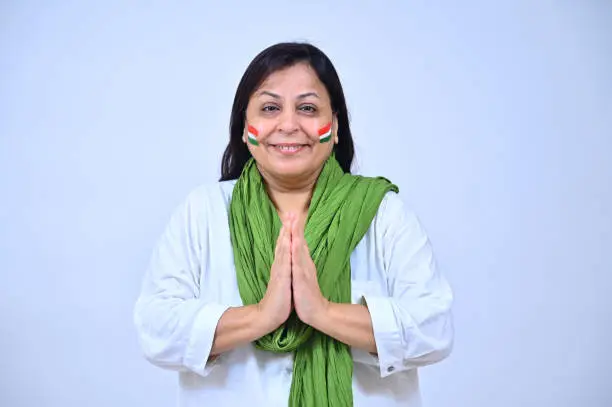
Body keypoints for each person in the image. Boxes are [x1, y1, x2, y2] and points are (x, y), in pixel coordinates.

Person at [133, 41, 454, 407]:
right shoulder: (202, 211)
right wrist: (259, 316)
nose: (288, 124)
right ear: (244, 129)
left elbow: (435, 329)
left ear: (334, 128)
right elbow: (155, 329)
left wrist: (323, 312)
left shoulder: (384, 213)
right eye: (270, 108)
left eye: (307, 108)